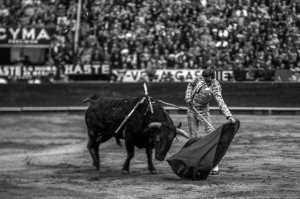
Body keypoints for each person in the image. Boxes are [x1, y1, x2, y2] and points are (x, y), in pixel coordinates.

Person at [185, 68, 236, 175]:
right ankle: (193, 163)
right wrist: (188, 98)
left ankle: (214, 164)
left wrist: (228, 116)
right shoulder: (199, 78)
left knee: (211, 135)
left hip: (203, 110)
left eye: (208, 80)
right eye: (204, 79)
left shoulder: (216, 86)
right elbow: (190, 85)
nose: (206, 82)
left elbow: (220, 102)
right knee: (193, 137)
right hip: (191, 110)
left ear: (213, 78)